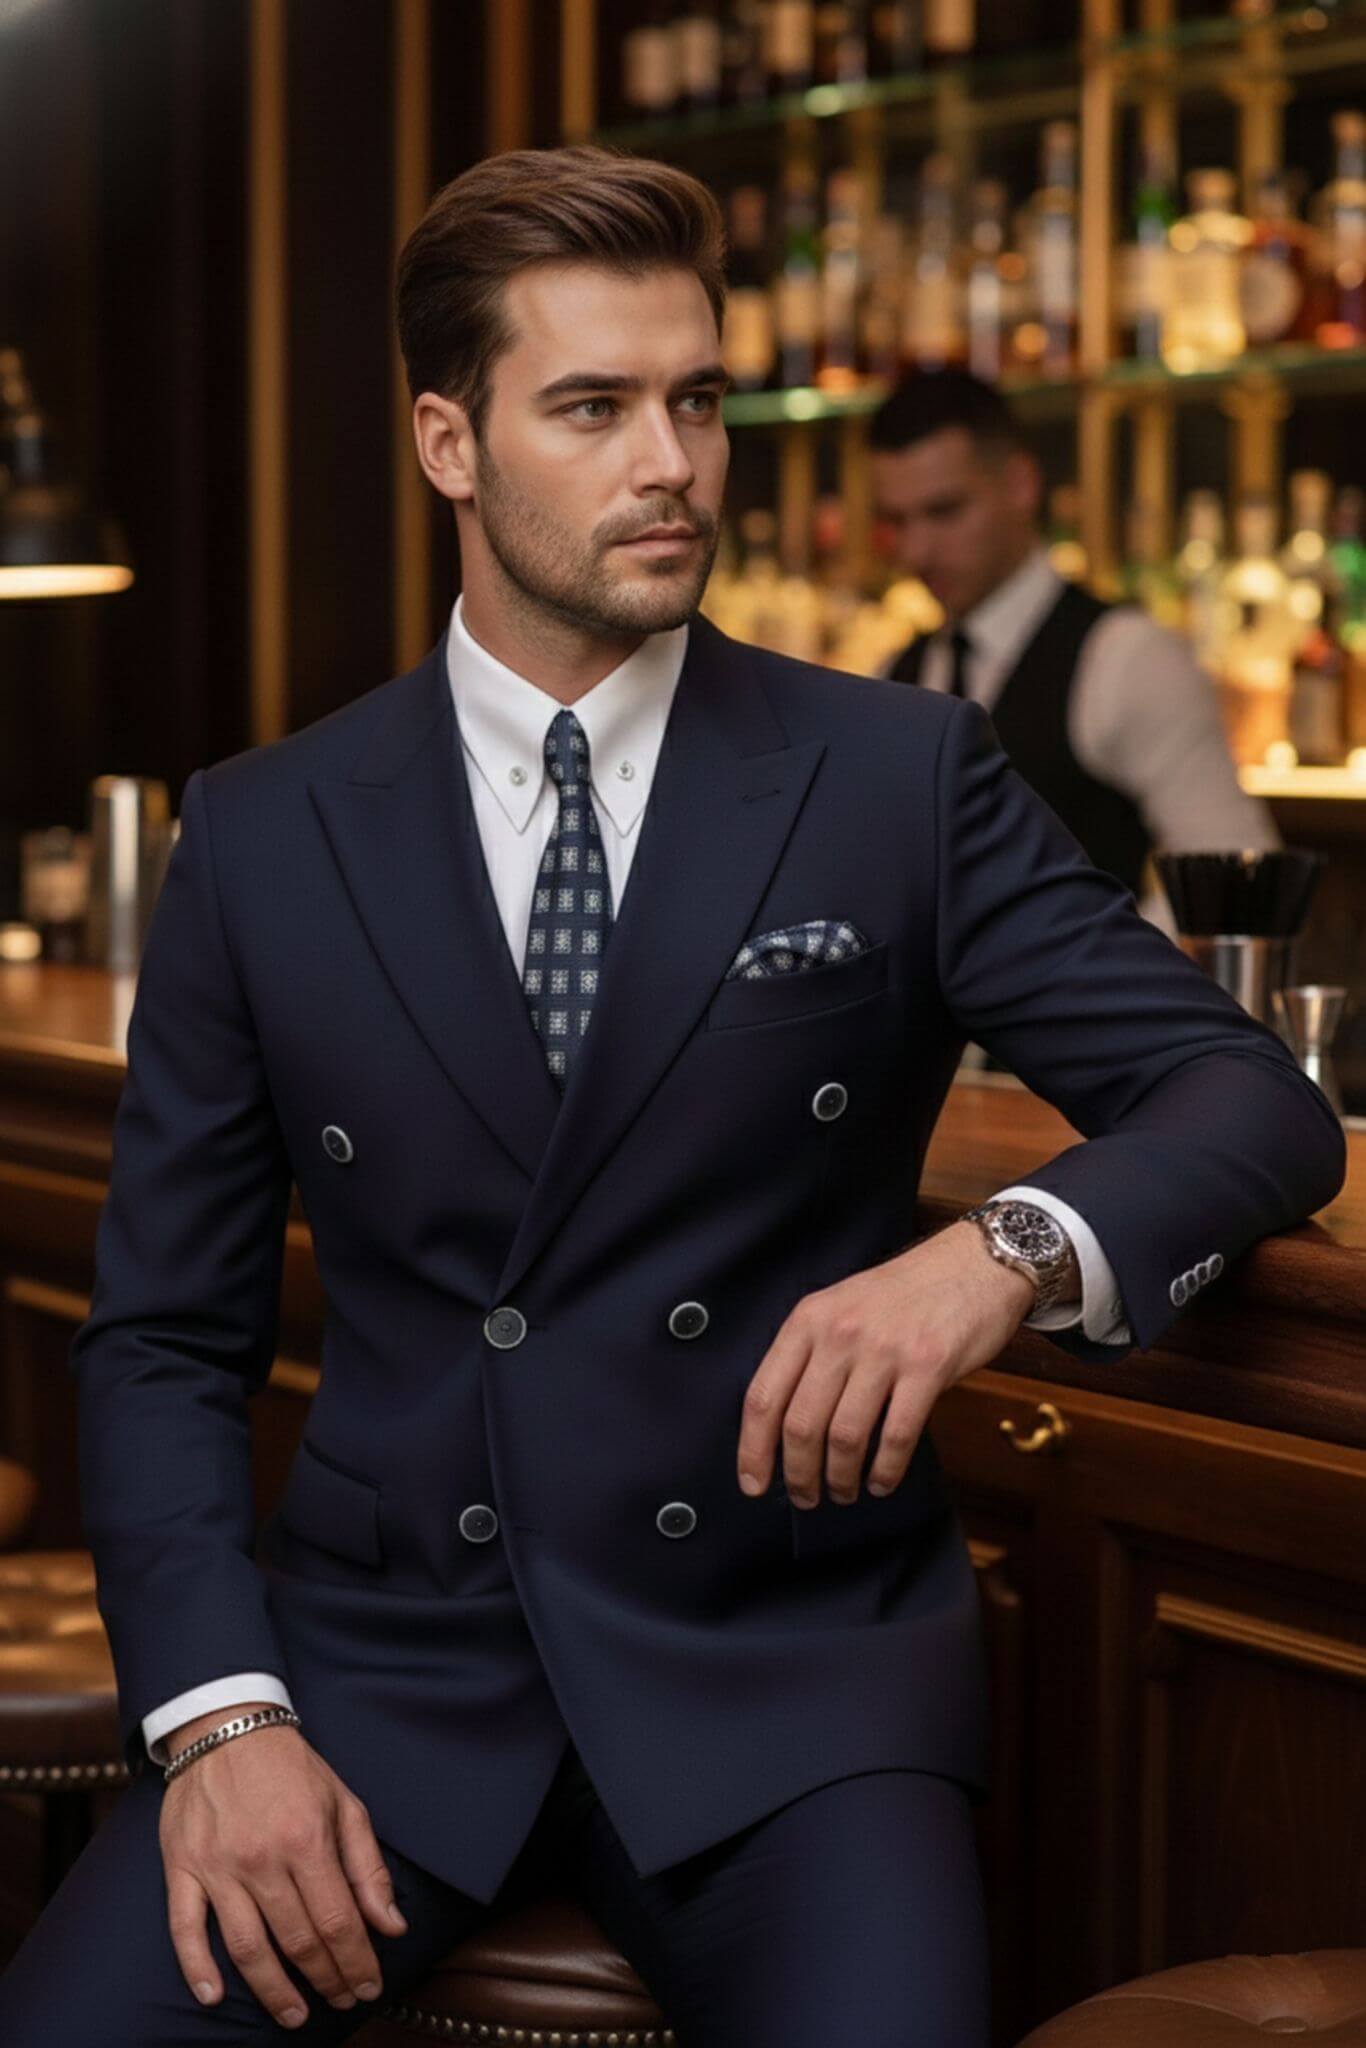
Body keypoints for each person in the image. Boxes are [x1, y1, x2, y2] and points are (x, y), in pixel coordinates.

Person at [0, 147, 1344, 2048]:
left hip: (787, 1677)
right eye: (595, 406)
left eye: (697, 400)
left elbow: (1247, 1093)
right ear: (447, 441)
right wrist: (223, 1719)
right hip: (377, 1674)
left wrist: (998, 1253)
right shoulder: (269, 831)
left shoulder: (893, 773)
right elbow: (155, 1343)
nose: (677, 463)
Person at [868, 368, 1279, 925]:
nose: (916, 551)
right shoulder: (898, 668)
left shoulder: (1127, 656)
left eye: (944, 511)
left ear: (1020, 485)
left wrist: (1106, 974)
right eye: (896, 521)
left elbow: (1234, 871)